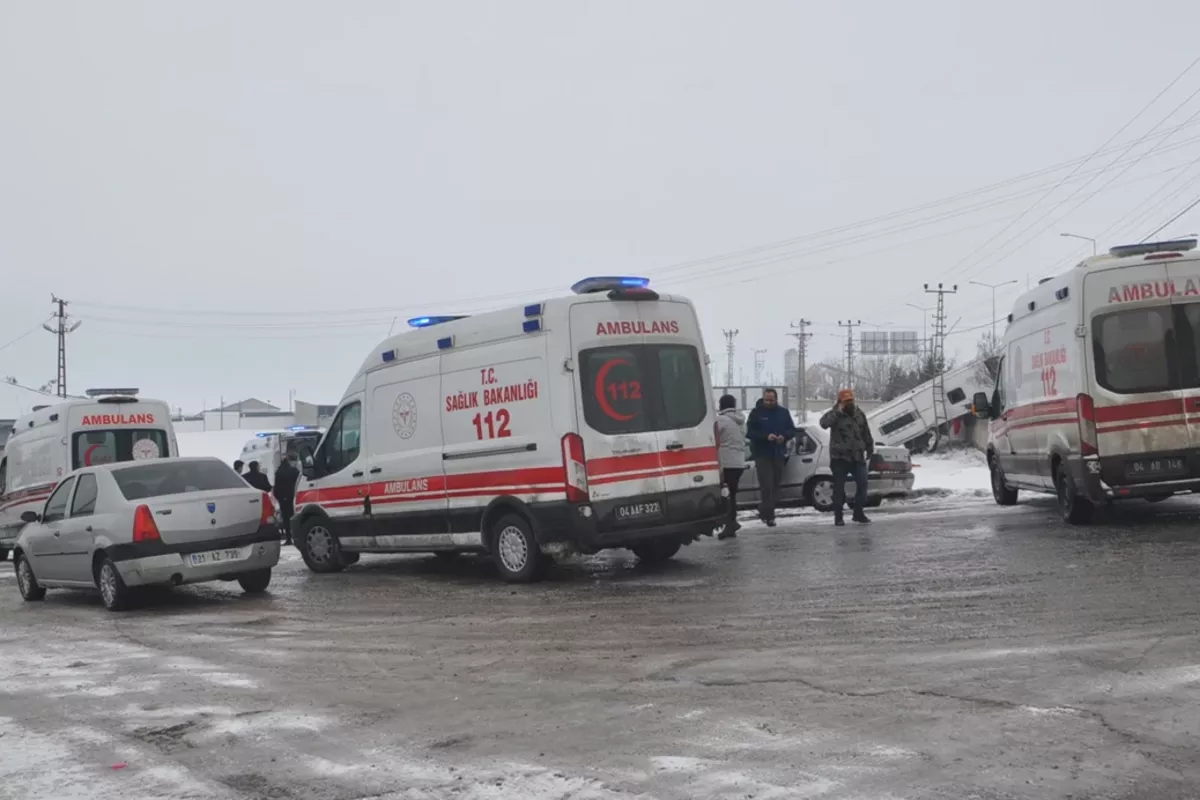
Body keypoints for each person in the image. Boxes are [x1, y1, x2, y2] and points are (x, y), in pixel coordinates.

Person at [820, 388, 875, 526]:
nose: (849, 403)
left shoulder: (859, 414)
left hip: (857, 456)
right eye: (846, 401)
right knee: (839, 488)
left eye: (851, 400)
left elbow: (866, 431)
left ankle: (858, 513)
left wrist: (869, 447)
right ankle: (838, 516)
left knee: (863, 484)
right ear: (840, 402)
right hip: (840, 457)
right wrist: (837, 411)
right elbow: (823, 424)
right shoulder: (835, 414)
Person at [745, 388, 795, 527]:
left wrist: (784, 437)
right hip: (762, 454)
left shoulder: (783, 413)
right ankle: (770, 516)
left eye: (771, 400)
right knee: (766, 485)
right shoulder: (756, 413)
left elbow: (791, 429)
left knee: (775, 486)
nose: (768, 402)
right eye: (766, 399)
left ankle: (764, 509)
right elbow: (749, 432)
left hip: (778, 453)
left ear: (776, 399)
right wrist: (766, 437)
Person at [715, 394, 746, 540]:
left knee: (727, 495)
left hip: (726, 462)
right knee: (732, 494)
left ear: (721, 405)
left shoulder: (721, 420)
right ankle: (731, 523)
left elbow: (712, 436)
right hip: (739, 462)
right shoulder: (740, 420)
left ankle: (730, 523)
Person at [273, 452, 300, 545]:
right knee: (295, 516)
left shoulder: (279, 471)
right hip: (293, 497)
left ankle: (288, 538)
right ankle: (297, 537)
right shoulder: (294, 471)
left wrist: (279, 497)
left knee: (286, 518)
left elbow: (276, 487)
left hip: (283, 499)